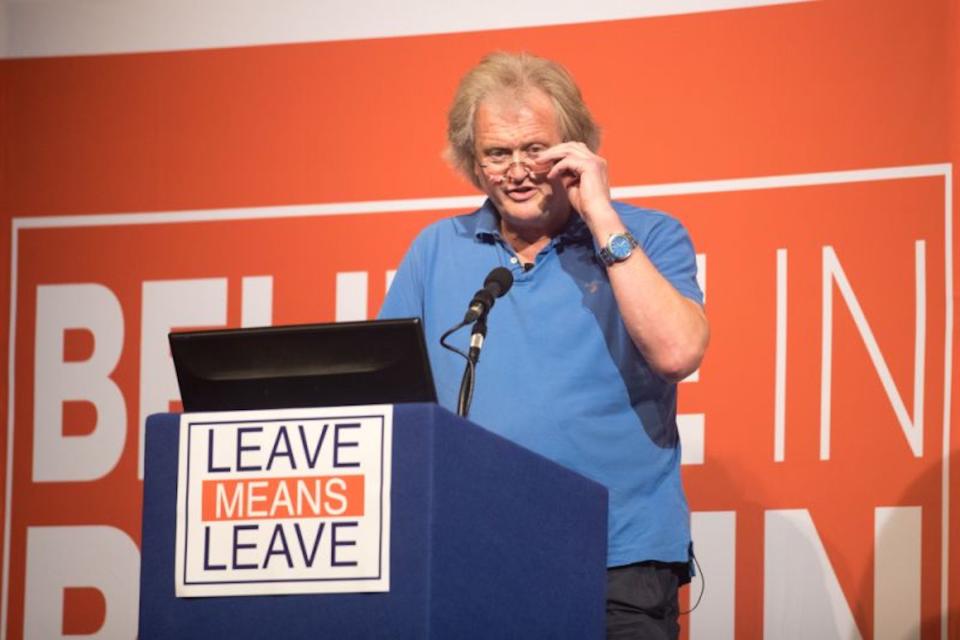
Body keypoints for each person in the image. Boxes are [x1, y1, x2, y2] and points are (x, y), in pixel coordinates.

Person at [379, 51, 709, 640]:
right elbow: (383, 401)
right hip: (469, 561)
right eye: (497, 154)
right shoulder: (435, 251)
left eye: (536, 149)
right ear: (473, 163)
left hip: (617, 562)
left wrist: (601, 216)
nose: (517, 171)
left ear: (576, 148)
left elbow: (678, 352)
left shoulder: (650, 234)